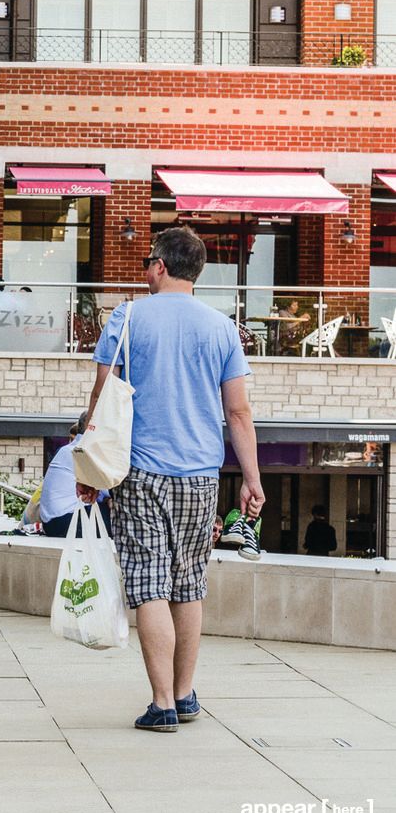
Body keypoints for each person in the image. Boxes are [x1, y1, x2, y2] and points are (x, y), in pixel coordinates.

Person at [84, 226, 263, 733]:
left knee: (148, 583)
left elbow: (103, 399)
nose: (144, 269)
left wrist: (89, 470)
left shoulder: (128, 316)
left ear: (159, 266)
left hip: (140, 470)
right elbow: (239, 411)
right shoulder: (222, 328)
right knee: (189, 584)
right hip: (202, 476)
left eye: (147, 261)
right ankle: (185, 695)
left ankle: (161, 703)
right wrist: (251, 478)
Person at [38, 411, 110, 539]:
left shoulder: (68, 449)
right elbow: (109, 490)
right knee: (125, 516)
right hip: (65, 521)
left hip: (53, 523)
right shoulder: (82, 451)